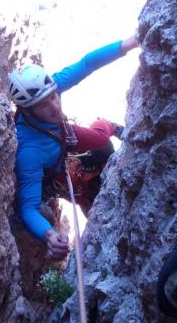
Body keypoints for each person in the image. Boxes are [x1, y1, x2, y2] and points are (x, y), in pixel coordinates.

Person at [8, 35, 140, 260]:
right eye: (44, 105)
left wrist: (128, 43)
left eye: (53, 97)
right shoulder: (29, 152)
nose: (54, 106)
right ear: (28, 110)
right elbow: (28, 208)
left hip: (60, 138)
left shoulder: (50, 89)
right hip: (51, 157)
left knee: (99, 139)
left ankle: (108, 124)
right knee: (80, 192)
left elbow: (86, 64)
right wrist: (48, 235)